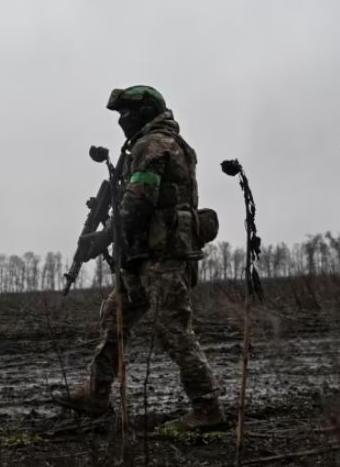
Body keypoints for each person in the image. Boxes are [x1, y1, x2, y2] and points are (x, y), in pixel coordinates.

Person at [54, 85, 225, 432]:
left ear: (145, 113)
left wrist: (103, 237)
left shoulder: (154, 144)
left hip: (163, 256)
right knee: (114, 319)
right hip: (142, 255)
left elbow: (140, 199)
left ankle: (207, 408)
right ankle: (97, 395)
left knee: (173, 331)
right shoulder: (147, 144)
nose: (121, 121)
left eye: (126, 114)